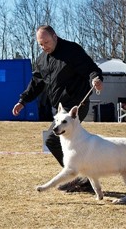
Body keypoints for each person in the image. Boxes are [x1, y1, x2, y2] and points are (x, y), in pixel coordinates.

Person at [12, 25, 104, 192]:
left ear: (55, 36)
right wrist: (23, 101)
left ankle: (80, 176)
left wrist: (95, 79)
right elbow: (37, 83)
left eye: (46, 42)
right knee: (69, 143)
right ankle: (84, 176)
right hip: (60, 109)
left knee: (52, 140)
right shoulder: (42, 60)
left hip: (76, 105)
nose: (44, 46)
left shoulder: (72, 50)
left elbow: (91, 69)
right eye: (40, 44)